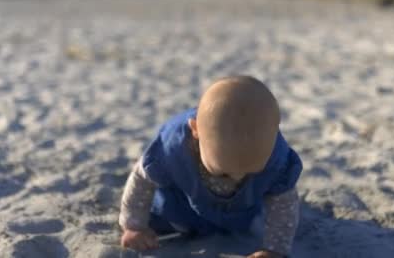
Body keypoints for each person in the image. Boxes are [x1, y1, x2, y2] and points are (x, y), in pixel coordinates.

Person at [119, 76, 303, 257]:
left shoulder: (277, 158)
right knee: (160, 216)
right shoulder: (172, 149)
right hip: (182, 205)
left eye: (250, 171)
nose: (236, 176)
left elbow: (283, 201)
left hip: (239, 211)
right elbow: (142, 179)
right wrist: (134, 226)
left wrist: (275, 250)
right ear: (195, 130)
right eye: (223, 172)